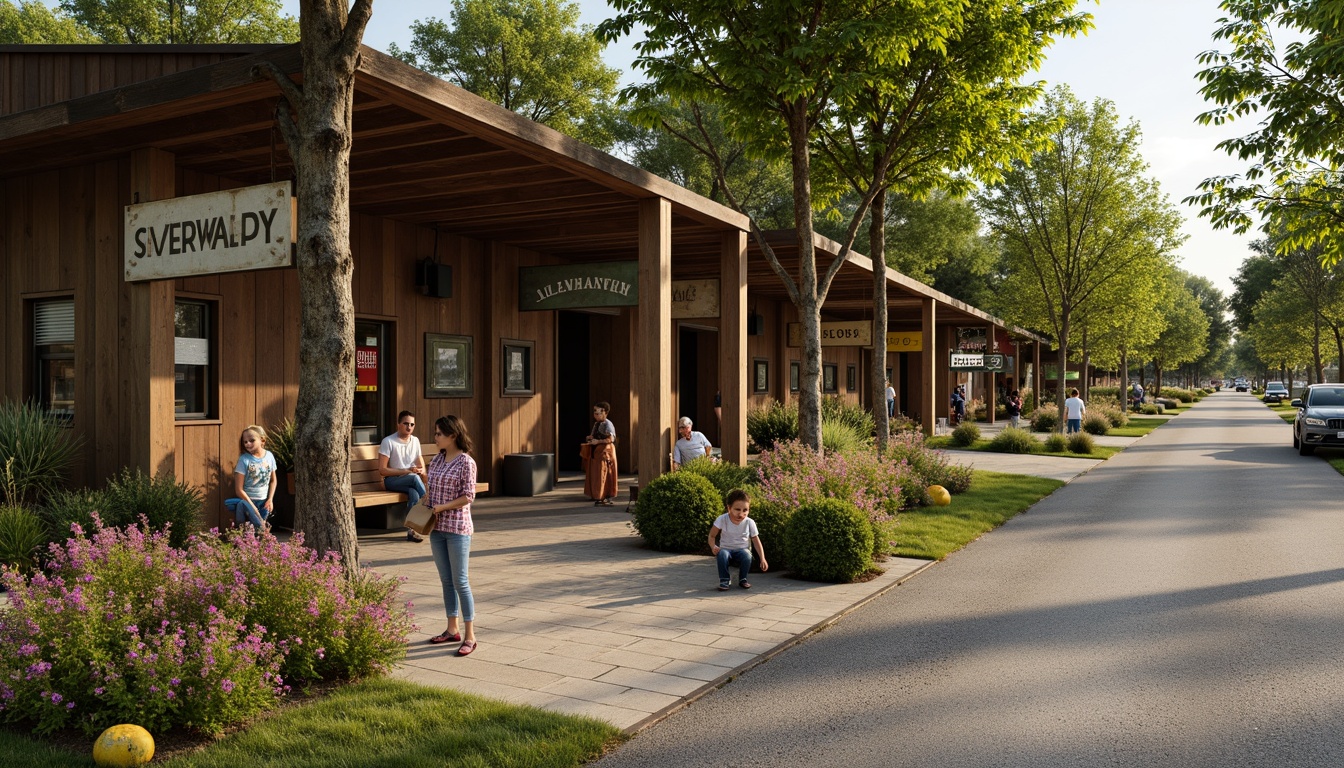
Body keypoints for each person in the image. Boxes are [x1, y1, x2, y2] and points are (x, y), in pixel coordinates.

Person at [425, 414, 479, 657]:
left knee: (461, 582)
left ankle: (470, 635)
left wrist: (441, 507)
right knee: (446, 581)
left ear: (453, 435)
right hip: (436, 529)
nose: (435, 438)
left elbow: (468, 496)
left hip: (457, 529)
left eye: (439, 434)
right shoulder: (437, 459)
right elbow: (431, 490)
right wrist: (425, 505)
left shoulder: (466, 462)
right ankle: (452, 629)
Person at [379, 410, 428, 542]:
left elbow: (421, 465)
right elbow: (382, 470)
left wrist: (420, 470)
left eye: (412, 424)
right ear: (398, 424)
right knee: (414, 478)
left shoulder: (415, 441)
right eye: (406, 423)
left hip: (411, 481)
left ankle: (411, 531)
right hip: (392, 481)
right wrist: (406, 471)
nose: (409, 427)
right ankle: (429, 503)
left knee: (414, 494)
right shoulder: (388, 441)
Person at [708, 489, 769, 591]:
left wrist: (762, 558)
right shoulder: (722, 519)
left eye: (745, 510)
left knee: (747, 555)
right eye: (737, 509)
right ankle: (724, 580)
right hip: (725, 549)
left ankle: (743, 579)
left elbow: (756, 541)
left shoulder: (750, 522)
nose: (741, 514)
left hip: (742, 550)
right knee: (722, 554)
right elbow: (711, 536)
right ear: (729, 508)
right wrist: (713, 547)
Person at [225, 424, 276, 532]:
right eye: (245, 442)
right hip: (248, 501)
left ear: (262, 440)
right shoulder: (244, 460)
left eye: (251, 440)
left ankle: (261, 538)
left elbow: (273, 480)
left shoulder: (269, 456)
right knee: (258, 526)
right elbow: (239, 490)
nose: (248, 444)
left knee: (255, 532)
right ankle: (265, 535)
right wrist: (252, 507)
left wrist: (270, 499)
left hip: (264, 501)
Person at [584, 401, 618, 506]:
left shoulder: (608, 424)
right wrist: (590, 438)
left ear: (605, 413)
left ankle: (604, 494)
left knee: (603, 473)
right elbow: (594, 435)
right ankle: (595, 493)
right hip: (596, 451)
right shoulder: (597, 423)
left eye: (598, 413)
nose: (596, 415)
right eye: (595, 412)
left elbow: (611, 439)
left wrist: (598, 441)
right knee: (595, 473)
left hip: (605, 451)